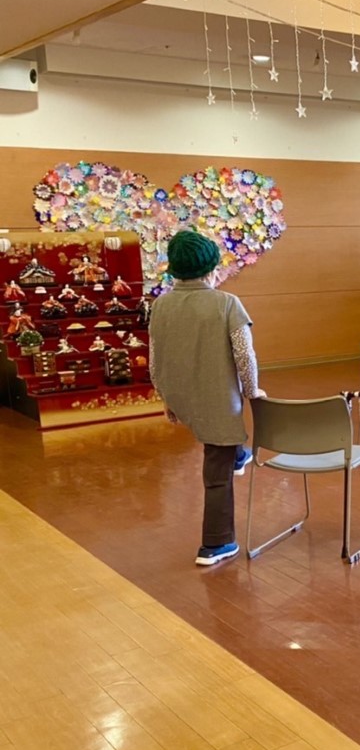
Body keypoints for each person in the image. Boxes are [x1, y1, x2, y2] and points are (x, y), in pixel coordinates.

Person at [149, 230, 264, 567]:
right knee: (217, 467)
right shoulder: (226, 303)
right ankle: (216, 543)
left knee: (224, 439)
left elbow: (155, 359)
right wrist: (252, 391)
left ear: (174, 270)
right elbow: (244, 356)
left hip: (181, 395)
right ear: (212, 269)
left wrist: (165, 396)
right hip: (217, 401)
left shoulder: (160, 305)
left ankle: (238, 454)